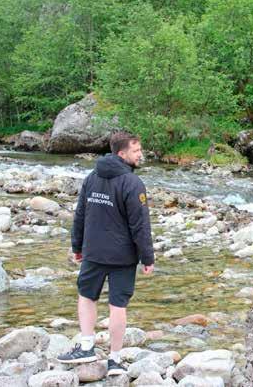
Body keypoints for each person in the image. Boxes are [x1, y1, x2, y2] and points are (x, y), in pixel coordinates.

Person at [57, 132, 154, 376]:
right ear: (121, 153)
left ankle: (86, 347)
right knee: (117, 305)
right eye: (136, 151)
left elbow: (80, 214)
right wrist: (147, 257)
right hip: (122, 257)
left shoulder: (92, 176)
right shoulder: (133, 183)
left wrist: (77, 246)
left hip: (93, 251)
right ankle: (115, 359)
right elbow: (140, 225)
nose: (140, 154)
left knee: (87, 296)